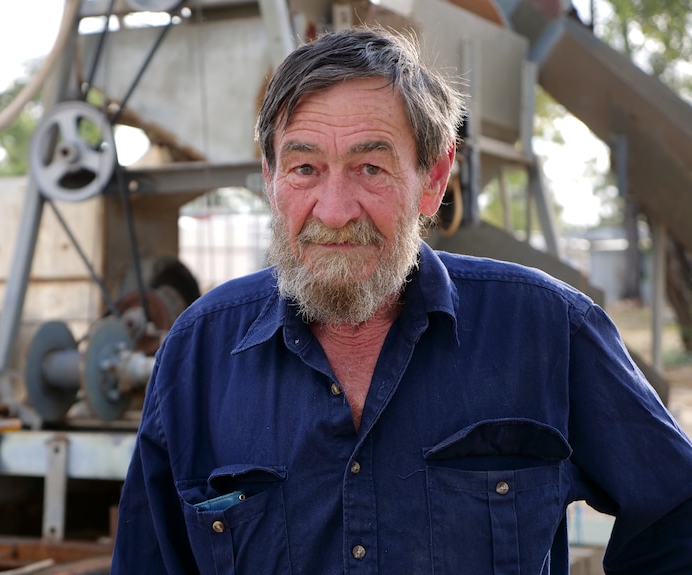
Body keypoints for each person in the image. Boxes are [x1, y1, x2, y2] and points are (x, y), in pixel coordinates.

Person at [112, 26, 692, 574]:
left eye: (370, 167)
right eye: (305, 168)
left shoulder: (547, 332)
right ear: (270, 177)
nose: (334, 210)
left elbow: (677, 516)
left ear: (433, 180)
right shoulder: (197, 356)